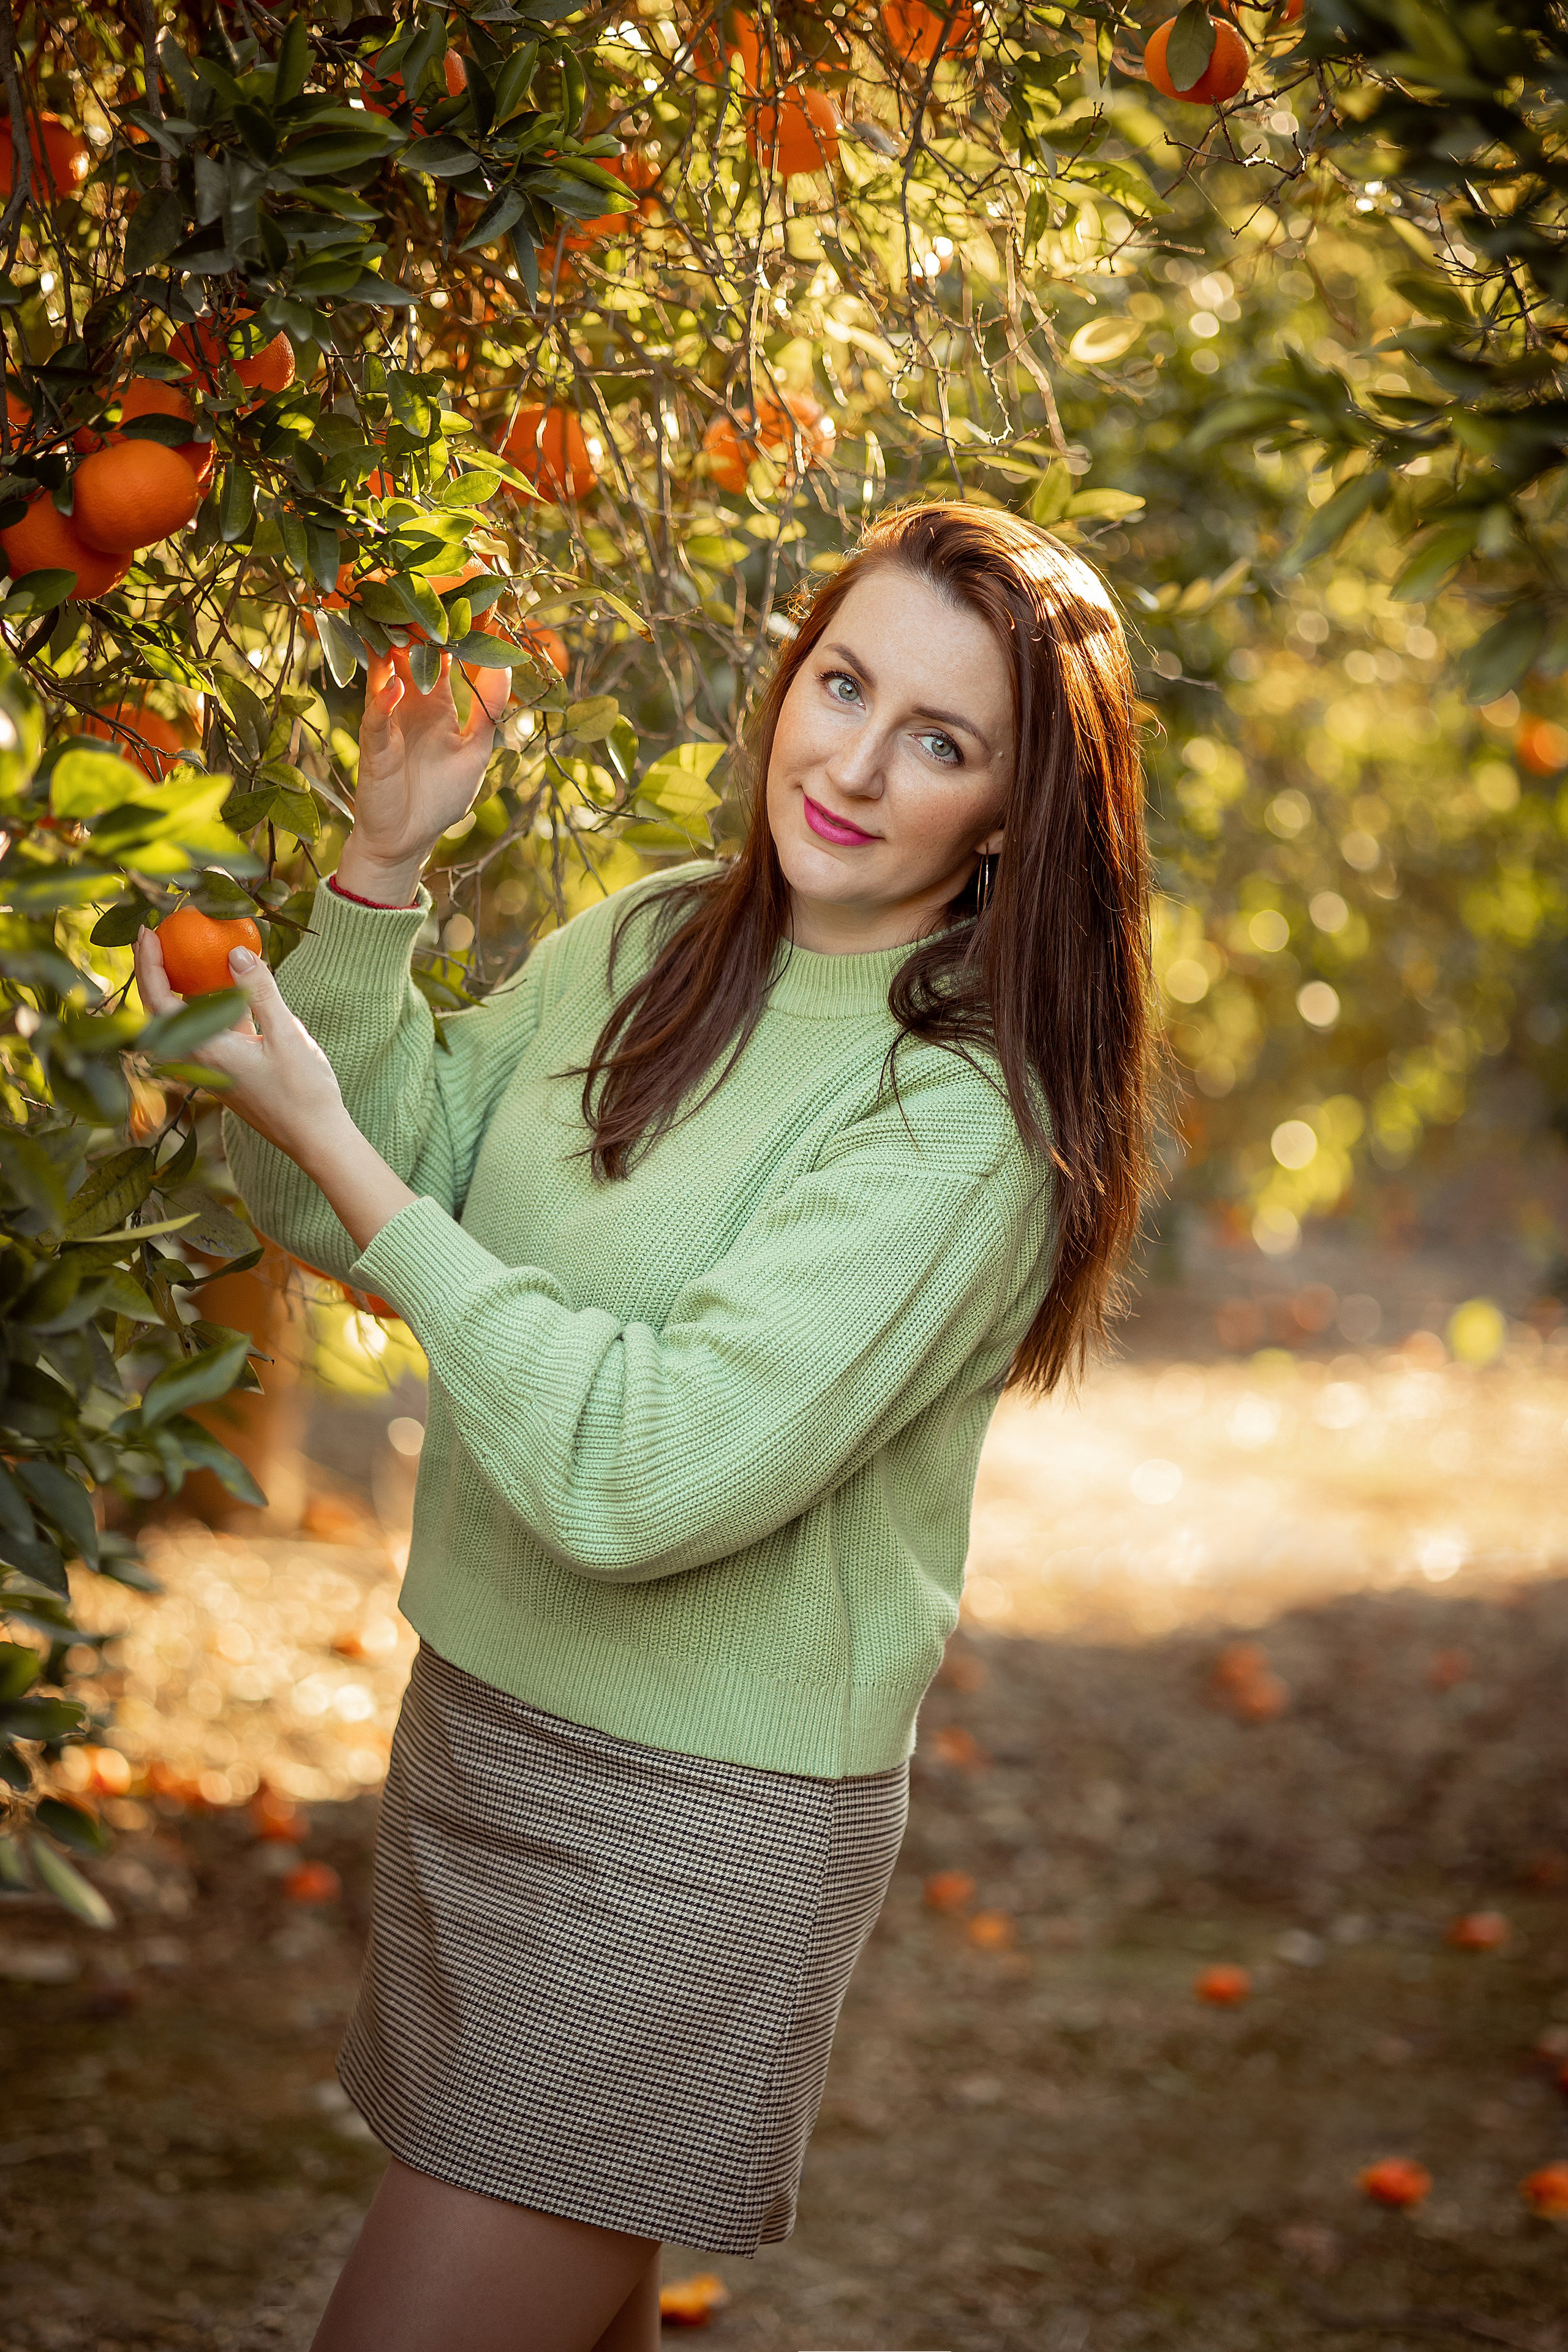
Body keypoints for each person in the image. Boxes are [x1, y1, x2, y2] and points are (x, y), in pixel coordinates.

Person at [134, 500, 1153, 2352]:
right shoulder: (648, 942)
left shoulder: (963, 1123)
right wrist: (376, 877)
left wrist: (357, 1171)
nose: (852, 762)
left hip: (695, 1828)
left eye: (941, 741)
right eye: (841, 686)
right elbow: (321, 1199)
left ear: (1011, 810)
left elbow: (642, 1472)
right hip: (483, 1733)